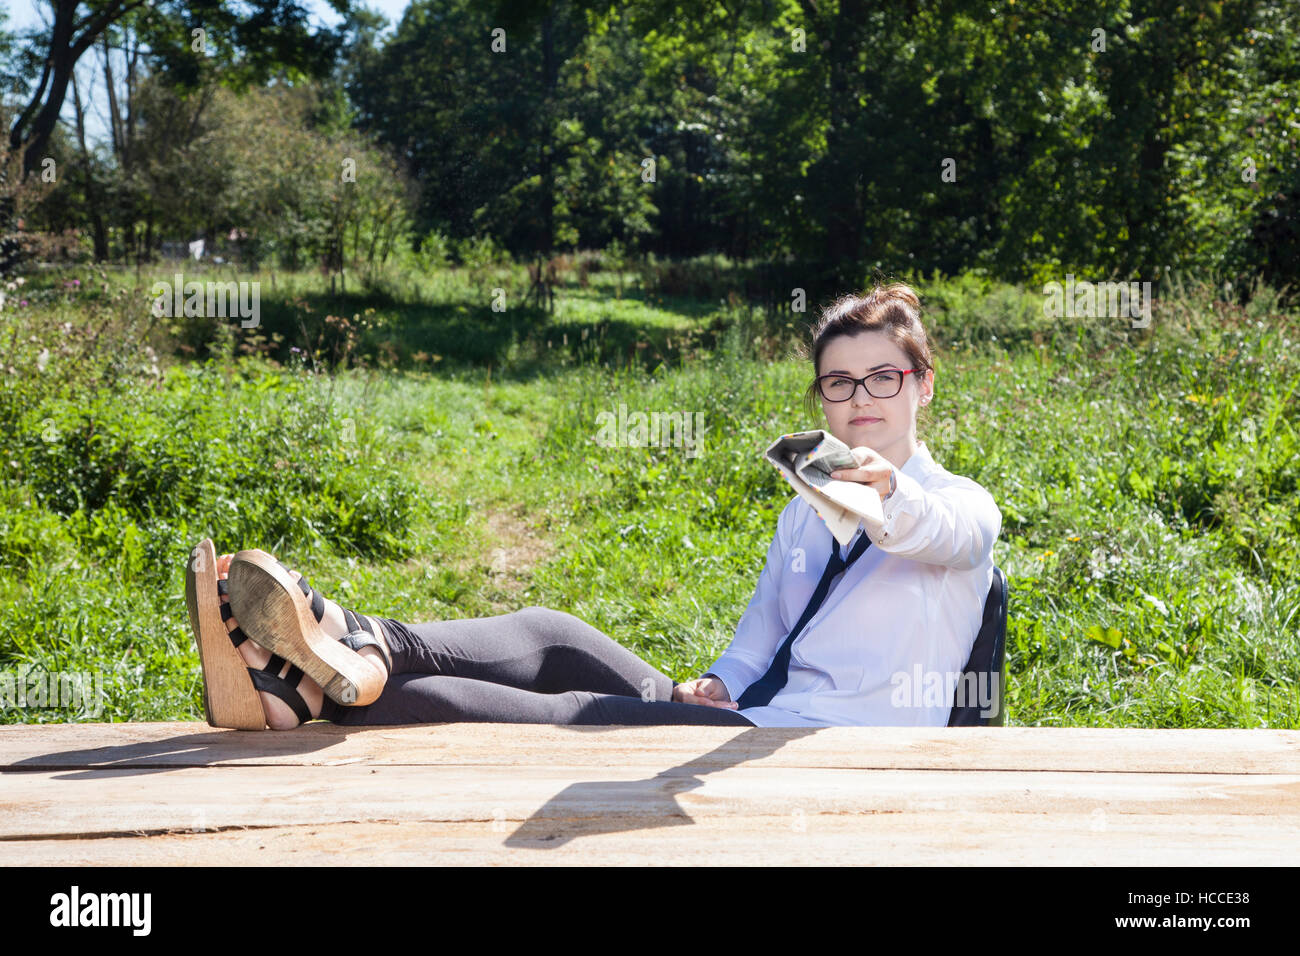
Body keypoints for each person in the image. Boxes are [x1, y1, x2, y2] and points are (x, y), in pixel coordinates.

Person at [190, 282, 1000, 731]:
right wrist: (720, 681)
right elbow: (764, 632)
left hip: (823, 748)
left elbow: (942, 534)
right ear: (821, 397)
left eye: (883, 378)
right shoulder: (806, 508)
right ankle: (343, 643)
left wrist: (888, 498)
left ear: (922, 384)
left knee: (579, 714)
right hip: (753, 716)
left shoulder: (962, 507)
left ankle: (303, 684)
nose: (861, 398)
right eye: (839, 382)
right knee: (552, 635)